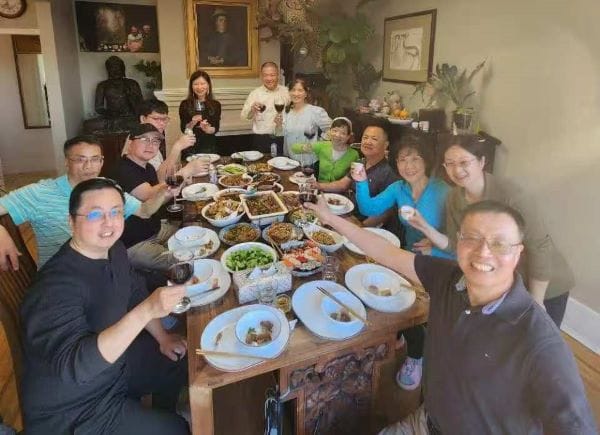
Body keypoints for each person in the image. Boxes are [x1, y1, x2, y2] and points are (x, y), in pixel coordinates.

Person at [304, 198, 597, 434]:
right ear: (458, 241)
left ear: (518, 253)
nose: (483, 252)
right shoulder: (449, 278)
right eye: (472, 238)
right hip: (425, 423)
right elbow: (386, 252)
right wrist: (330, 218)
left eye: (499, 243)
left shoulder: (539, 341)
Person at [20, 178, 189, 434]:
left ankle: (157, 414)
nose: (109, 223)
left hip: (115, 369)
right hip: (76, 410)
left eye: (116, 212)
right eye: (95, 214)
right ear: (71, 221)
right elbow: (77, 367)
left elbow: (135, 293)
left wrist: (163, 338)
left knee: (182, 361)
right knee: (176, 429)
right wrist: (146, 311)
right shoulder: (54, 288)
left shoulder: (114, 250)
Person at [406, 134, 575, 326]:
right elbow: (456, 245)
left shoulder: (512, 195)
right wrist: (425, 227)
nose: (457, 170)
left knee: (537, 340)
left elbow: (540, 246)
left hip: (543, 284)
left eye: (464, 162)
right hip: (503, 281)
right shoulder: (454, 198)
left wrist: (536, 300)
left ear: (481, 162)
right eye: (449, 164)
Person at [352, 134, 452, 391]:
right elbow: (370, 208)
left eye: (415, 159)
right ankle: (404, 335)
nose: (409, 166)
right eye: (402, 159)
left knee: (412, 308)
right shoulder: (399, 188)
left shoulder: (444, 191)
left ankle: (415, 357)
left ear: (426, 161)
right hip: (409, 257)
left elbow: (460, 240)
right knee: (389, 296)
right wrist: (361, 182)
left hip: (442, 262)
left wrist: (434, 245)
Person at [0, 135, 167, 271]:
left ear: (102, 162)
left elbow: (144, 211)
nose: (89, 166)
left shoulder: (108, 186)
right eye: (80, 160)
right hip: (65, 276)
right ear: (67, 162)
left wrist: (166, 191)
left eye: (95, 159)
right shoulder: (40, 193)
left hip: (108, 269)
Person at [110, 124, 179, 272]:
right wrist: (182, 175)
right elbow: (147, 197)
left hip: (154, 229)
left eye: (155, 141)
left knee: (190, 235)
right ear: (130, 143)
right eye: (144, 139)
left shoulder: (148, 168)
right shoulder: (122, 169)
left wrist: (169, 193)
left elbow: (157, 202)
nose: (151, 145)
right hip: (133, 244)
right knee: (183, 259)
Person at [318, 122, 398, 228]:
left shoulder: (389, 173)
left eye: (374, 139)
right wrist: (318, 185)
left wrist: (360, 228)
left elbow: (386, 212)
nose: (368, 142)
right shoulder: (360, 162)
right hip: (343, 211)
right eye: (365, 138)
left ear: (386, 145)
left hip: (359, 222)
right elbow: (343, 184)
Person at [122, 99, 199, 178]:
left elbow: (159, 172)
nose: (162, 123)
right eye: (156, 119)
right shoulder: (138, 140)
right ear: (143, 119)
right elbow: (159, 178)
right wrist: (177, 147)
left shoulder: (150, 136)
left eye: (164, 119)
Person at [275, 77, 332, 166]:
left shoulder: (316, 111)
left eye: (300, 90)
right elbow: (280, 134)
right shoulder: (285, 112)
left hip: (310, 163)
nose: (296, 93)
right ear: (289, 92)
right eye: (293, 90)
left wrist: (319, 143)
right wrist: (278, 125)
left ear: (306, 93)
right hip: (289, 161)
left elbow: (332, 129)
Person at [83, 56, 143, 133]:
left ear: (123, 69)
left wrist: (131, 99)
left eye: (118, 68)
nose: (115, 71)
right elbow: (98, 108)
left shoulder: (132, 83)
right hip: (111, 118)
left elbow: (141, 105)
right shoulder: (102, 85)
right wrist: (111, 113)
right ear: (108, 70)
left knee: (140, 122)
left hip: (129, 117)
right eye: (112, 68)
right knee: (87, 124)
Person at [240, 62, 290, 154]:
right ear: (261, 76)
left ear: (278, 75)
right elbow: (244, 116)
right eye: (265, 75)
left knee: (282, 162)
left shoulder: (286, 92)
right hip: (261, 139)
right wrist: (252, 110)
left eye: (272, 75)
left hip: (282, 137)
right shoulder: (255, 93)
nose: (269, 78)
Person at [291, 116, 358, 182]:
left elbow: (355, 178)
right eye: (335, 130)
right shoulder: (323, 146)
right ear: (330, 131)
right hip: (319, 187)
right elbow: (294, 148)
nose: (337, 135)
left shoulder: (354, 155)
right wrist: (304, 147)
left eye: (343, 133)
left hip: (340, 189)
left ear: (348, 136)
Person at [178, 70, 221, 158]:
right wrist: (192, 123)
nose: (199, 87)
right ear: (191, 86)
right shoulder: (185, 104)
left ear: (208, 85)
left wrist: (208, 129)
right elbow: (184, 129)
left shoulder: (216, 105)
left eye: (203, 83)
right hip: (190, 146)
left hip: (209, 147)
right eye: (196, 84)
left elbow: (216, 128)